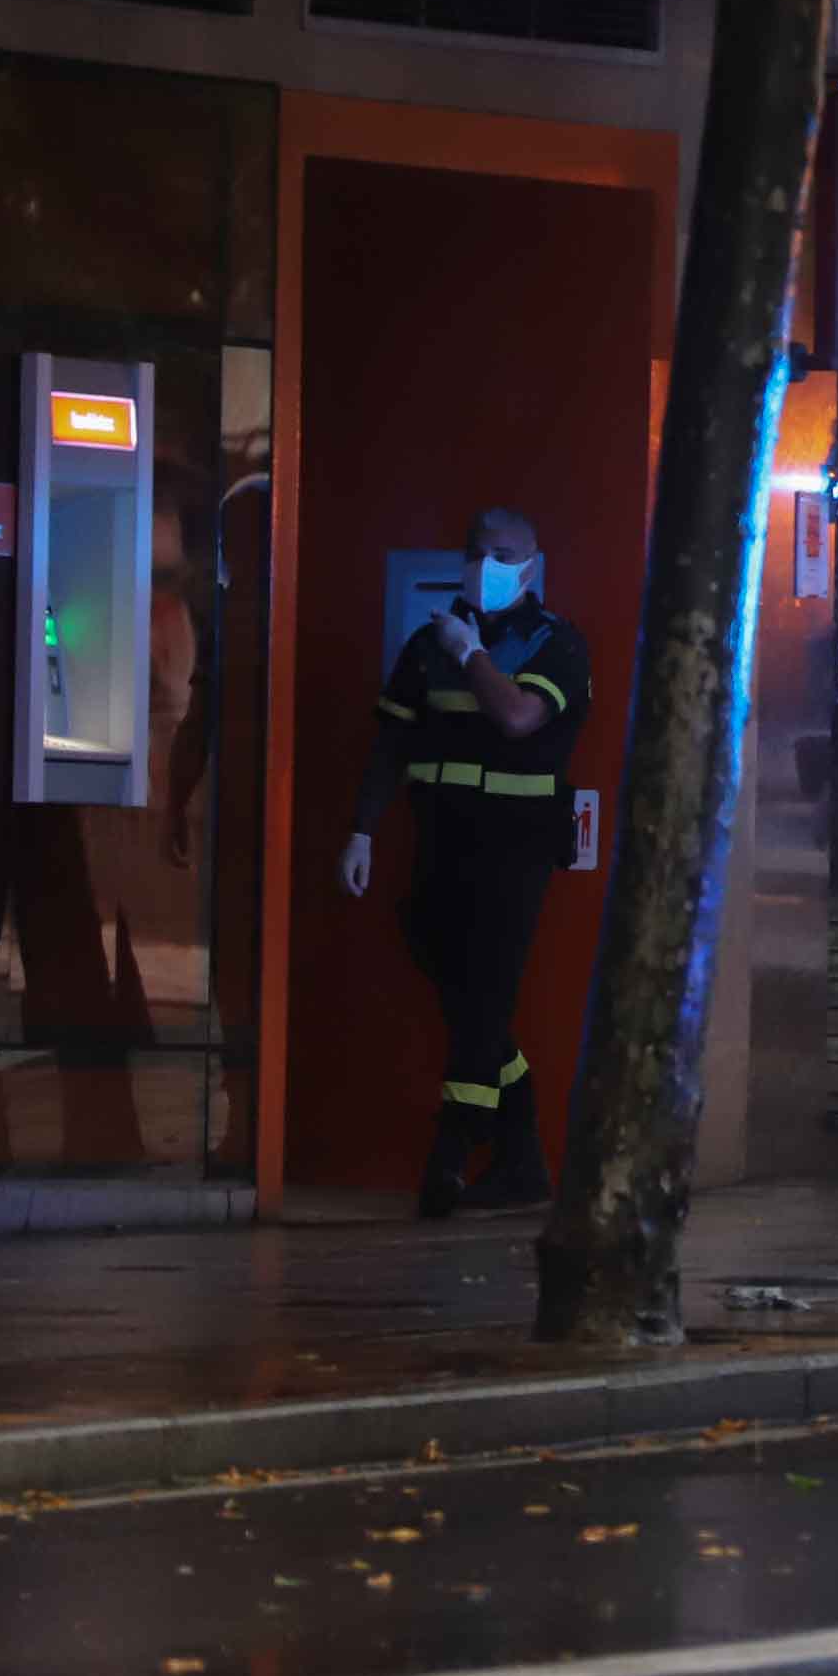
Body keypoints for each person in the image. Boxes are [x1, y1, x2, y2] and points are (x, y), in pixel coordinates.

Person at [342, 508, 590, 1217]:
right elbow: (390, 743)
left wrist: (470, 655)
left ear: (531, 567)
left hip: (514, 857)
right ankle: (522, 1163)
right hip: (439, 849)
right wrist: (361, 832)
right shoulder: (427, 645)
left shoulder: (555, 645)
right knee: (474, 1009)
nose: (487, 565)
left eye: (504, 554)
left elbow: (517, 719)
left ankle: (447, 1164)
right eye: (477, 553)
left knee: (481, 1007)